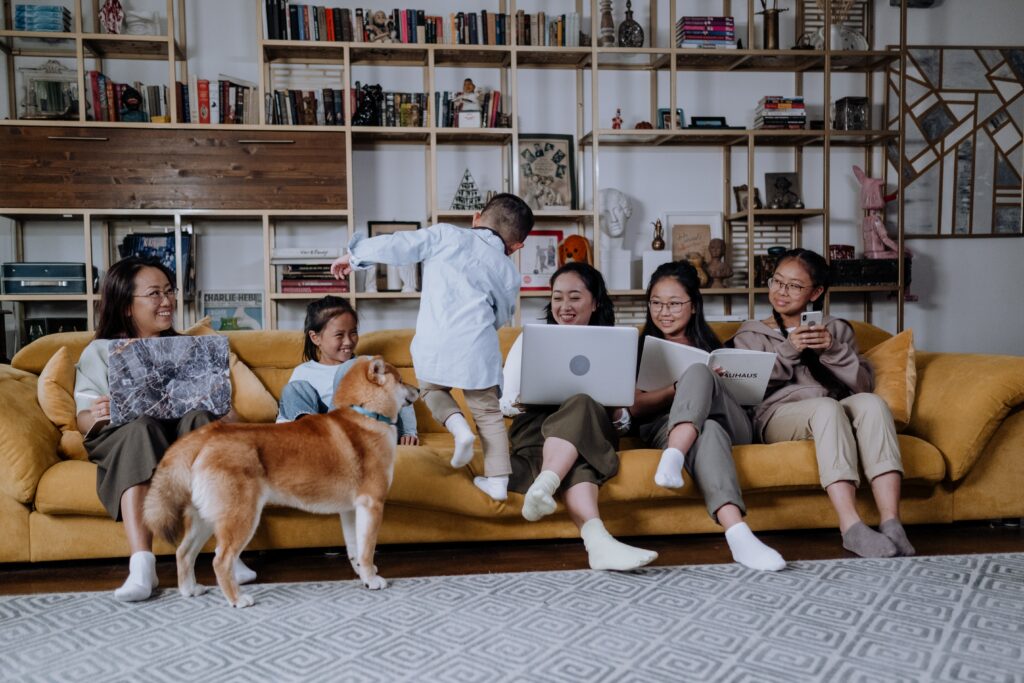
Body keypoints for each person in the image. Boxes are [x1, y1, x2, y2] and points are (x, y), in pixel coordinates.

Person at [74, 256, 256, 601]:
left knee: (201, 422)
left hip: (181, 434)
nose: (167, 301)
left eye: (169, 291)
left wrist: (219, 411)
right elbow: (83, 419)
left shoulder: (191, 349)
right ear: (127, 306)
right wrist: (100, 411)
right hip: (128, 434)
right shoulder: (99, 352)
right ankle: (142, 565)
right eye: (155, 294)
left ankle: (228, 553)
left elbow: (228, 416)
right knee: (139, 428)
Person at [332, 193, 534, 502]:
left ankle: (458, 430)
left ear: (476, 218)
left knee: (430, 390)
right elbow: (502, 315)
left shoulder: (446, 235)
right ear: (515, 246)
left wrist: (355, 257)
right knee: (489, 415)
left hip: (435, 341)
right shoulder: (509, 273)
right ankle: (497, 481)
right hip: (477, 345)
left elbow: (400, 245)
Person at [732, 248, 915, 558]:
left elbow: (861, 385)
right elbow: (747, 390)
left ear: (816, 292)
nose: (781, 291)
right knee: (826, 408)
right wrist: (789, 350)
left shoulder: (836, 329)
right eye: (777, 281)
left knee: (871, 403)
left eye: (794, 285)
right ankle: (850, 526)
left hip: (832, 408)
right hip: (776, 416)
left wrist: (833, 349)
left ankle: (892, 522)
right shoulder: (751, 334)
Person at [629, 261, 785, 571]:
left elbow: (750, 400)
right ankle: (739, 535)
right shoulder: (637, 348)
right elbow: (633, 409)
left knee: (701, 374)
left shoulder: (716, 347)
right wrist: (676, 389)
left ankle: (674, 455)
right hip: (665, 426)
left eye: (674, 303)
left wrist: (719, 383)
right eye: (656, 303)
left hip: (734, 424)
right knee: (708, 429)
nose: (664, 311)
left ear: (694, 306)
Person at [501, 262, 657, 571]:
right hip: (537, 429)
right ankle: (597, 544)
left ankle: (544, 484)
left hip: (594, 427)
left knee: (583, 404)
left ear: (595, 301)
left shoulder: (616, 343)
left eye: (574, 297)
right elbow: (504, 403)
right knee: (581, 456)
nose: (564, 306)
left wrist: (614, 407)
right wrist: (526, 399)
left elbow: (622, 424)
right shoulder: (531, 339)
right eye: (557, 297)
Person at [277, 295, 418, 445]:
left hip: (368, 428)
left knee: (351, 368)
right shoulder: (303, 372)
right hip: (323, 429)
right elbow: (287, 412)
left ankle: (329, 436)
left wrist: (409, 432)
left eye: (353, 332)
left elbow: (399, 392)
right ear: (315, 338)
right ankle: (315, 435)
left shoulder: (366, 365)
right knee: (294, 388)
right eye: (339, 335)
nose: (348, 341)